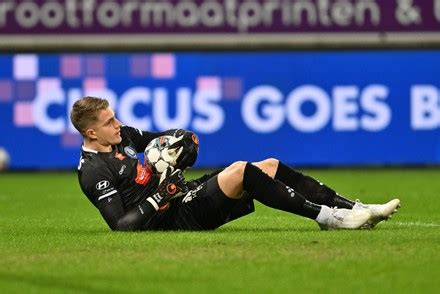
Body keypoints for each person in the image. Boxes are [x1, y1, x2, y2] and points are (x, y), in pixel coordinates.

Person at [70, 96, 400, 232]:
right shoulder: (93, 171)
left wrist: (182, 140)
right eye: (109, 121)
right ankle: (331, 219)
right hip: (170, 218)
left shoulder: (124, 136)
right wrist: (160, 196)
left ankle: (357, 208)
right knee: (242, 171)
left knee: (268, 165)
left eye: (114, 118)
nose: (118, 124)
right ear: (91, 132)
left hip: (180, 196)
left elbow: (162, 137)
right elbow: (120, 226)